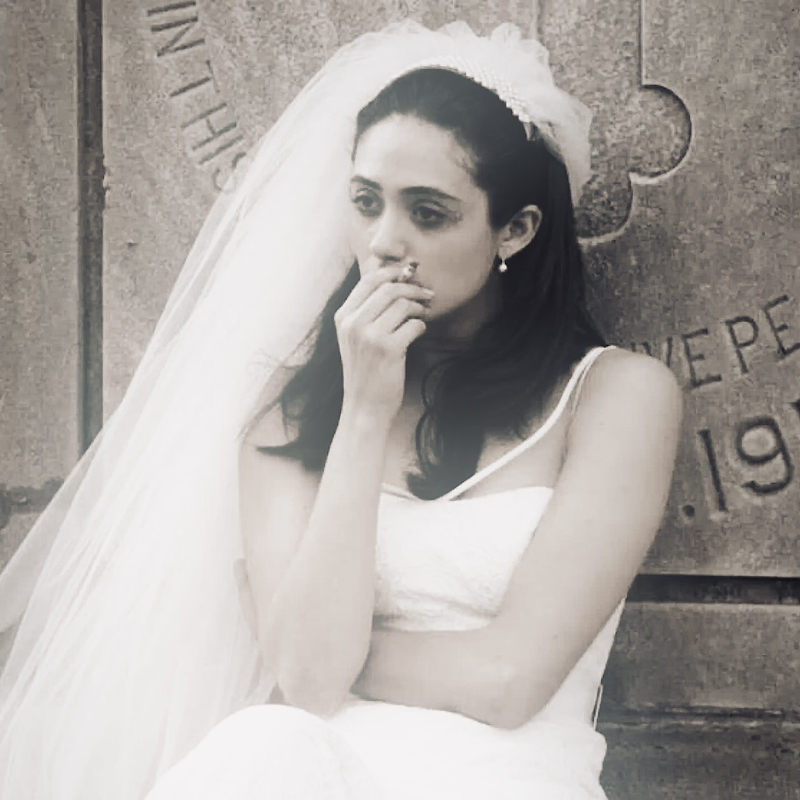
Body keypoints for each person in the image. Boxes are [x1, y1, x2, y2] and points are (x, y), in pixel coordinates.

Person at [0, 20, 682, 800]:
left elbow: (508, 680)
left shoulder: (618, 396)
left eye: (428, 213)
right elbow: (309, 686)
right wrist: (363, 411)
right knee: (265, 743)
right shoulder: (290, 408)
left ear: (515, 230)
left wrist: (309, 644)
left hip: (503, 778)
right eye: (366, 202)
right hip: (304, 768)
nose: (384, 242)